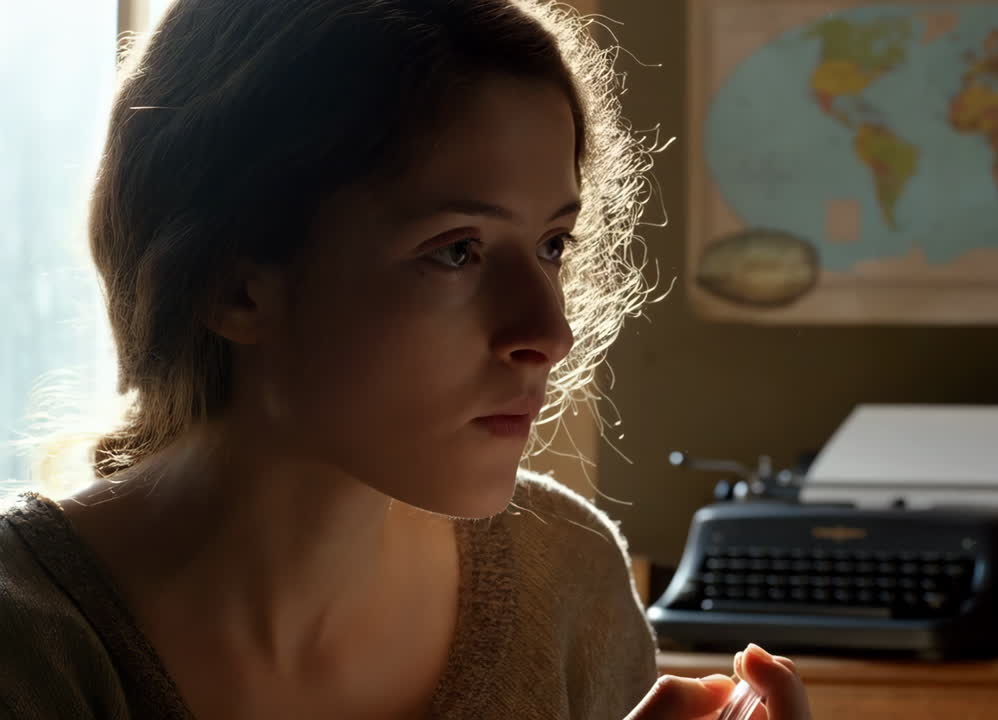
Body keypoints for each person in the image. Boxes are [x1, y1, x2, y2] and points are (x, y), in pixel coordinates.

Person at [0, 1, 811, 718]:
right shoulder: (30, 642)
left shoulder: (567, 580)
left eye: (552, 244)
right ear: (235, 290)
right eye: (456, 251)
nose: (547, 331)